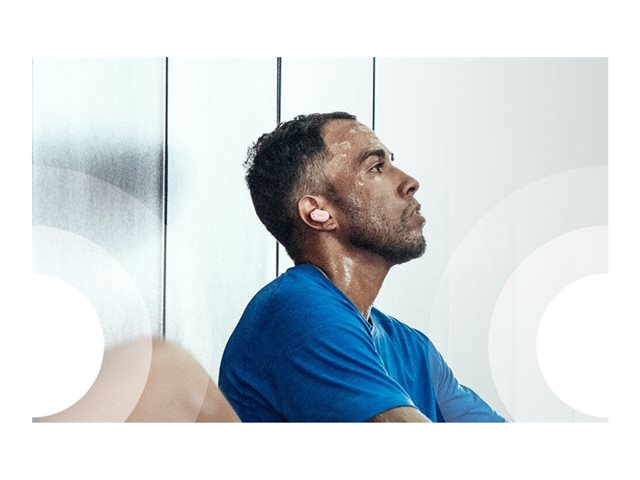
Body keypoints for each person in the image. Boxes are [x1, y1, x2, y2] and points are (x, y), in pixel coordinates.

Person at [219, 112, 505, 422]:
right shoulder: (295, 311)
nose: (410, 183)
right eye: (376, 167)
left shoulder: (413, 349)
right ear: (318, 212)